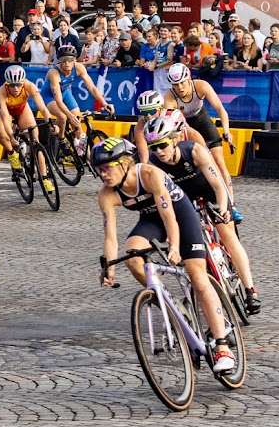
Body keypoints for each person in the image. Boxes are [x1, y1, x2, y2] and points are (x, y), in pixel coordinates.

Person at [92, 136, 236, 374]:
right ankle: (170, 302)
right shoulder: (106, 194)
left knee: (197, 276)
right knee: (132, 253)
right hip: (150, 219)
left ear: (125, 163)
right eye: (99, 170)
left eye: (107, 168)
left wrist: (175, 247)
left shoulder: (149, 174)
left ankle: (222, 347)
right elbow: (110, 236)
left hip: (179, 214)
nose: (103, 175)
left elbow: (169, 216)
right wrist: (109, 267)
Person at [144, 110, 261, 315]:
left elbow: (218, 185)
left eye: (163, 145)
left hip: (209, 191)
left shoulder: (194, 151)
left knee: (227, 234)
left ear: (174, 140)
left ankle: (250, 290)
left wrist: (225, 209)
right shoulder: (154, 165)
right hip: (184, 200)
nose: (159, 151)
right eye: (154, 148)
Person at [163, 62, 238, 220]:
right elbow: (173, 125)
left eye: (182, 83)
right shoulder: (169, 97)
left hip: (202, 120)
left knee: (218, 161)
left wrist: (226, 131)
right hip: (184, 126)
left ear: (189, 79)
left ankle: (232, 204)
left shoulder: (201, 86)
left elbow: (220, 109)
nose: (180, 88)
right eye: (175, 85)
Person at [0, 65, 55, 189]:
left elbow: (42, 107)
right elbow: (5, 117)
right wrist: (10, 136)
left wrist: (50, 123)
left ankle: (45, 177)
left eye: (18, 85)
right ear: (7, 84)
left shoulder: (30, 86)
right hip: (7, 112)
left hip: (22, 109)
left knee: (35, 141)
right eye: (12, 85)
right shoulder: (1, 92)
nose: (15, 88)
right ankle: (12, 154)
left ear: (23, 83)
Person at [44, 46, 112, 152]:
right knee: (63, 117)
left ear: (75, 59)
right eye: (63, 60)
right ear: (59, 60)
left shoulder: (79, 67)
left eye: (70, 60)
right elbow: (58, 101)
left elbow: (92, 88)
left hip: (65, 93)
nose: (67, 63)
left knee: (78, 125)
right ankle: (61, 139)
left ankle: (87, 158)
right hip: (50, 96)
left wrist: (104, 103)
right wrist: (70, 116)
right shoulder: (54, 73)